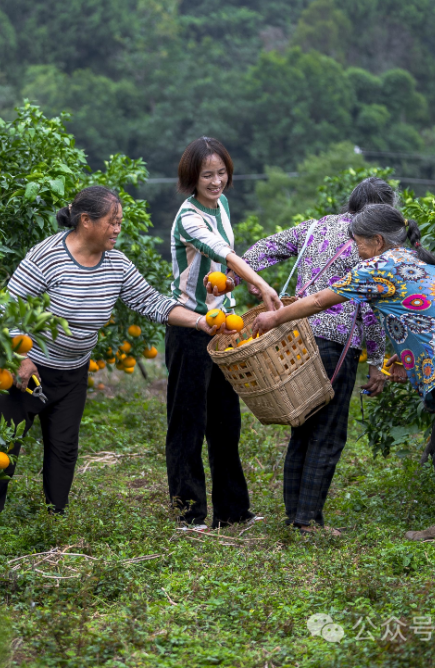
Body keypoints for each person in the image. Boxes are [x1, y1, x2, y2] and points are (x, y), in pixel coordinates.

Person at [251, 203, 435, 540]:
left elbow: (317, 302)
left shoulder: (377, 267)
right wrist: (401, 358)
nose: (356, 249)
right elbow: (428, 309)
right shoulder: (422, 259)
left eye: (358, 242)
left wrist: (273, 317)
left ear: (378, 241)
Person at [0, 185, 218, 521]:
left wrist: (200, 321)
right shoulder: (47, 255)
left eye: (120, 222)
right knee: (4, 445)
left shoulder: (116, 265)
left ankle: (54, 520)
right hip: (27, 370)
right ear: (86, 221)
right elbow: (7, 307)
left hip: (73, 372)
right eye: (113, 221)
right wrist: (19, 356)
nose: (118, 229)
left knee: (64, 449)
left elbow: (152, 303)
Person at [217, 177, 392, 535]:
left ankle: (296, 515)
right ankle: (307, 520)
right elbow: (371, 309)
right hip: (336, 343)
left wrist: (239, 275)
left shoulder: (318, 227)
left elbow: (269, 246)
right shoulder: (371, 243)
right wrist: (377, 361)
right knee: (327, 432)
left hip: (296, 336)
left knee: (303, 425)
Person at [166, 136, 281, 529]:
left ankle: (233, 512)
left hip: (225, 331)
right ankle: (189, 515)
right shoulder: (189, 216)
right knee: (187, 425)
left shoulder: (223, 205)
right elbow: (223, 250)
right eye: (207, 176)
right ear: (191, 178)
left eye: (221, 173)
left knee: (225, 423)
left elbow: (225, 264)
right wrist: (262, 285)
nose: (216, 182)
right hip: (191, 328)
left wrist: (233, 281)